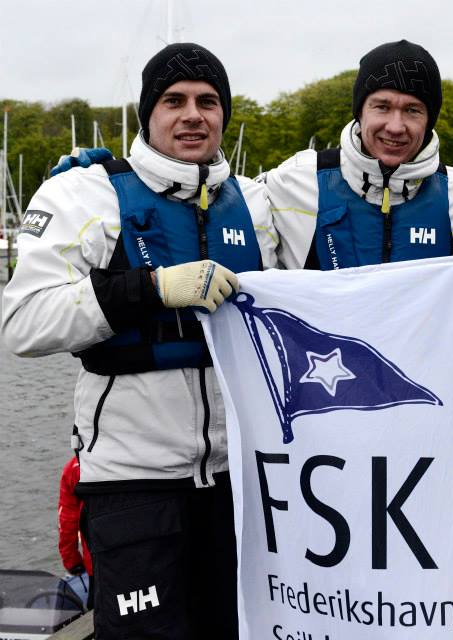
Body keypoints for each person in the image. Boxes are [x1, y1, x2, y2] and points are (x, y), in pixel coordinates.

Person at [1, 43, 278, 639]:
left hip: (238, 483)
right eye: (173, 101)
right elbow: (22, 322)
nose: (192, 115)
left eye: (208, 101)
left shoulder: (256, 204)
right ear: (148, 113)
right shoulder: (84, 194)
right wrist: (148, 288)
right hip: (131, 483)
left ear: (225, 114)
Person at [261, 39, 453, 270]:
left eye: (412, 110)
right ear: (360, 111)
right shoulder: (295, 179)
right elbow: (231, 209)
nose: (395, 127)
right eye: (382, 107)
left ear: (429, 120)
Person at [58, 457, 92, 577]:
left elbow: (67, 521)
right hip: (145, 559)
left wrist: (72, 562)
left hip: (98, 564)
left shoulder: (75, 468)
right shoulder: (138, 458)